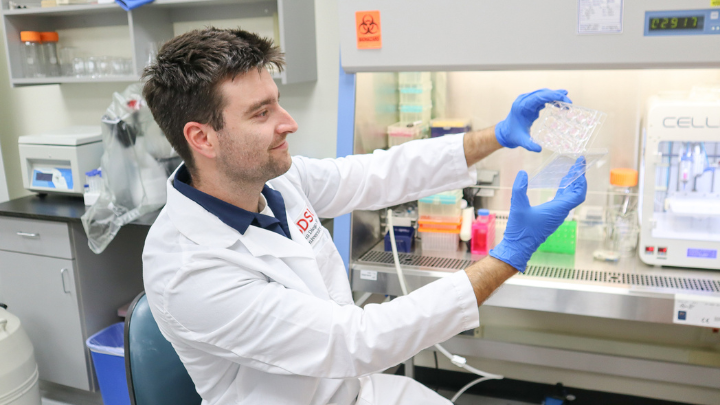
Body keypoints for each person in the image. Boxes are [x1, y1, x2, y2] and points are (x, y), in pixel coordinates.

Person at [141, 27, 587, 405]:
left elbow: (375, 174)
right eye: (262, 113)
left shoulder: (273, 182)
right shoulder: (190, 268)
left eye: (277, 101)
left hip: (356, 391)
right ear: (202, 138)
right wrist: (509, 255)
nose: (288, 122)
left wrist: (500, 135)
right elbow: (355, 341)